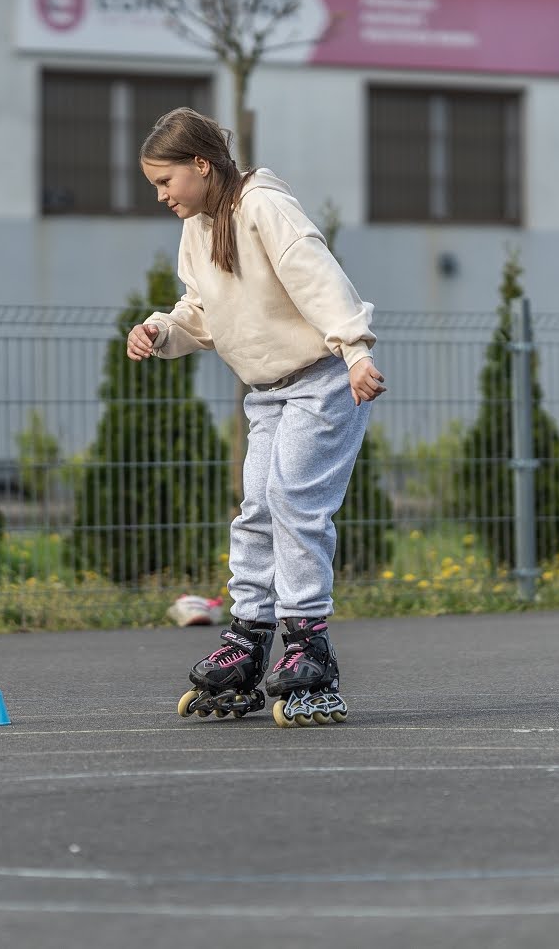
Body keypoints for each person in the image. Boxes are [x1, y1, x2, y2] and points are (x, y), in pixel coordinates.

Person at [131, 107, 384, 728]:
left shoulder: (263, 206)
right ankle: (248, 637)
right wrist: (161, 331)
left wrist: (356, 352)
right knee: (256, 510)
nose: (161, 196)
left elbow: (317, 276)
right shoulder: (199, 227)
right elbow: (201, 310)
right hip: (267, 392)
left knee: (295, 502)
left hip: (323, 380)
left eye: (165, 181)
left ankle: (308, 644)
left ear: (200, 164)